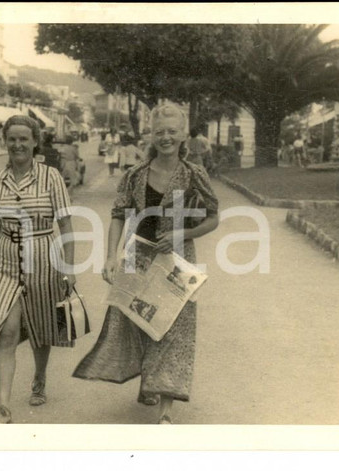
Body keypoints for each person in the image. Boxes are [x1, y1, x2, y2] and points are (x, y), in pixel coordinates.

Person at [73, 104, 219, 425]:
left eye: (172, 132)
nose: (165, 138)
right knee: (138, 324)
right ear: (150, 135)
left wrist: (184, 233)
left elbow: (213, 218)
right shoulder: (135, 174)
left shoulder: (195, 175)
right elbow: (118, 215)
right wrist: (111, 256)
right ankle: (149, 380)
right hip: (138, 259)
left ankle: (165, 411)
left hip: (178, 263)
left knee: (175, 330)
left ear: (183, 135)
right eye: (159, 132)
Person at [0, 115, 77, 424]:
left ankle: (39, 377)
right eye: (12, 138)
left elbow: (65, 223)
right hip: (6, 259)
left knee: (41, 326)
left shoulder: (51, 177)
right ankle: (3, 403)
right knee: (6, 330)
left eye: (24, 138)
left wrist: (68, 268)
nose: (17, 144)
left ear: (35, 141)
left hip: (43, 256)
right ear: (5, 141)